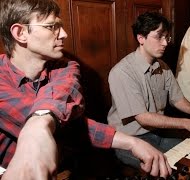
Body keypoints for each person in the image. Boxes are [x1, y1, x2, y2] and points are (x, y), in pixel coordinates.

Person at [0, 0, 172, 179]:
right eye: (52, 26)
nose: (64, 34)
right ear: (20, 33)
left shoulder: (66, 66)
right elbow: (69, 127)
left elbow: (69, 118)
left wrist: (132, 142)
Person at [107, 11, 190, 169]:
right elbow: (143, 118)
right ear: (141, 38)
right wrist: (187, 123)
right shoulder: (121, 72)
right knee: (172, 167)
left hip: (157, 133)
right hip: (129, 140)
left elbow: (177, 99)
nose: (165, 43)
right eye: (158, 36)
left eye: (166, 37)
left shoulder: (163, 67)